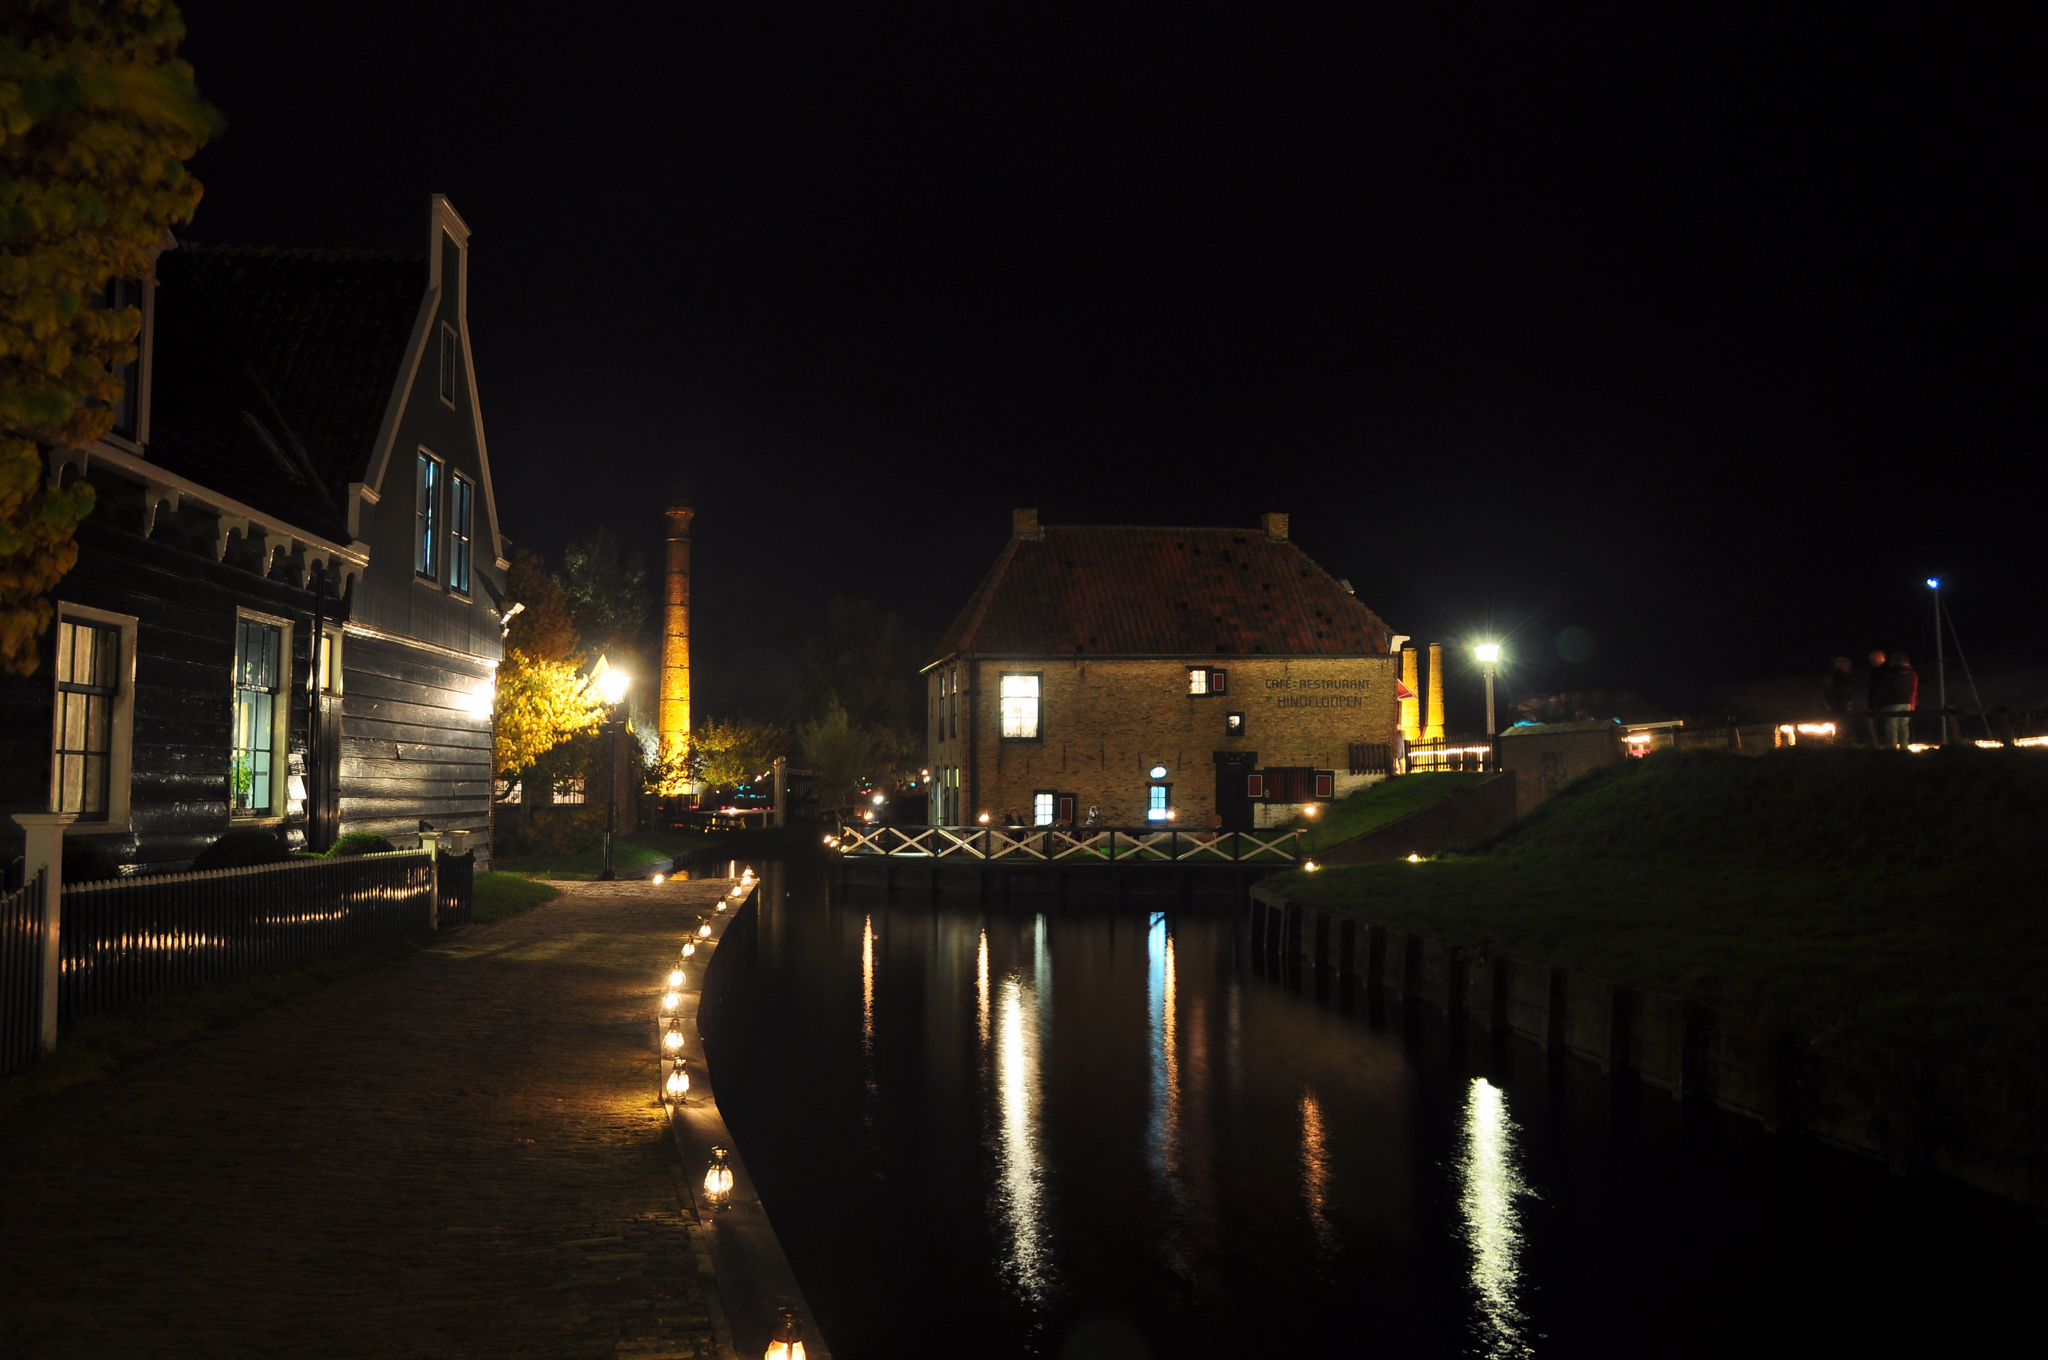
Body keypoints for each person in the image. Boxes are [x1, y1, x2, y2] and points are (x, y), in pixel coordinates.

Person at [1879, 652, 1918, 748]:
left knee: (1891, 727)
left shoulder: (1891, 672)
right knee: (1904, 726)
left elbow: (1885, 688)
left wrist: (1880, 702)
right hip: (1906, 702)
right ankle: (1904, 747)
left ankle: (1892, 748)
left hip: (1892, 702)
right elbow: (1913, 688)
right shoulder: (1911, 672)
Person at [1821, 657, 1856, 741]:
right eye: (1847, 665)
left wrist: (1828, 705)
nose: (1849, 667)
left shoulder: (1831, 678)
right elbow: (1843, 693)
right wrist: (1848, 704)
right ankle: (1843, 744)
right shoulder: (1841, 679)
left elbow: (1825, 694)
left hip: (1834, 708)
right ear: (1843, 666)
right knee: (1843, 728)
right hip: (1841, 707)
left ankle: (1838, 744)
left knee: (1838, 727)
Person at [1865, 650, 1891, 746]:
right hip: (1877, 703)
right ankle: (1882, 745)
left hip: (1883, 702)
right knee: (1879, 726)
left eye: (1874, 659)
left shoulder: (1885, 671)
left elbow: (1879, 688)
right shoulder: (1876, 671)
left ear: (1881, 658)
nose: (1872, 661)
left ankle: (1887, 746)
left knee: (1886, 726)